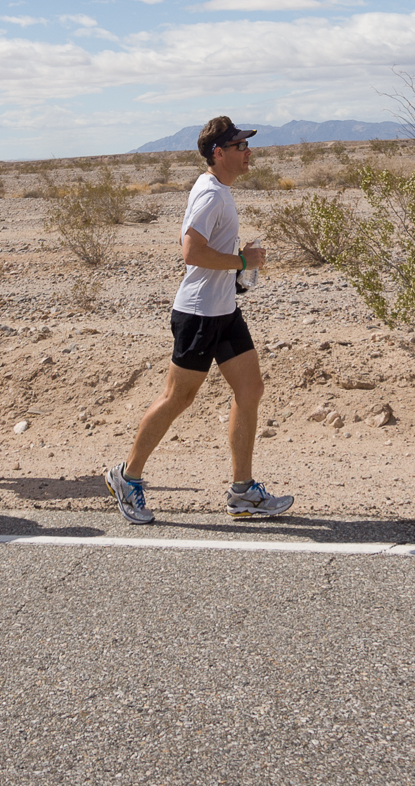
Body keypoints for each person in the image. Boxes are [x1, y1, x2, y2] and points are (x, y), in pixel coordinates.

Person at [106, 116, 293, 525]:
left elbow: (188, 239)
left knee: (250, 389)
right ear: (218, 153)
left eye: (247, 145)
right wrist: (242, 260)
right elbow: (190, 251)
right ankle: (127, 476)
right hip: (198, 314)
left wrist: (235, 266)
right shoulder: (210, 193)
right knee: (179, 397)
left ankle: (242, 492)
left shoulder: (216, 190)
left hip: (224, 310)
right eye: (240, 146)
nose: (249, 152)